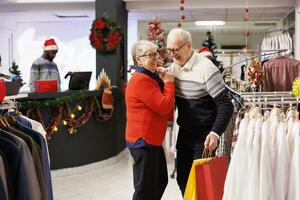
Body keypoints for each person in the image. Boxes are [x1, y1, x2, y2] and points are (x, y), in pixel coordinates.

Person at [165, 28, 234, 195]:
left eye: (176, 49)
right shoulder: (173, 68)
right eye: (169, 50)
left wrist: (215, 133)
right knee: (183, 180)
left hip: (205, 136)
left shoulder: (207, 69)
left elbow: (226, 105)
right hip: (185, 133)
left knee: (203, 185)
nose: (173, 54)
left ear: (189, 46)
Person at [125, 40, 175, 200]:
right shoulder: (141, 80)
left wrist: (160, 78)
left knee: (160, 181)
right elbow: (164, 106)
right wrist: (169, 82)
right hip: (143, 141)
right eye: (150, 55)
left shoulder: (149, 78)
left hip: (150, 141)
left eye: (156, 55)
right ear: (139, 59)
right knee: (145, 189)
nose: (155, 59)